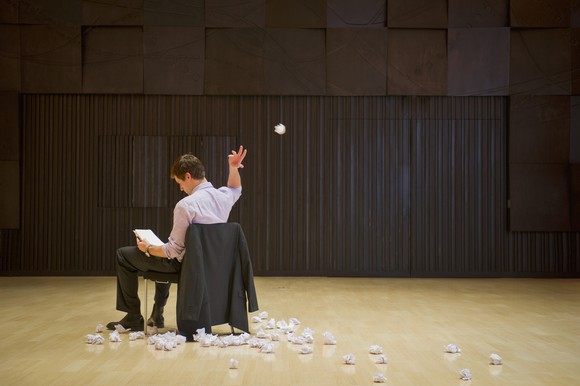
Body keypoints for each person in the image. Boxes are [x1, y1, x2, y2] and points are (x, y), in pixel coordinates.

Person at [107, 146, 247, 331]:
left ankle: (133, 316)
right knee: (162, 251)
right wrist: (233, 168)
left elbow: (172, 251)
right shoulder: (223, 196)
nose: (181, 188)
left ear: (188, 176)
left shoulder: (186, 205)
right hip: (216, 267)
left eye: (180, 182)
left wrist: (147, 248)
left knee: (125, 255)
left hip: (190, 269)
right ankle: (157, 313)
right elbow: (235, 188)